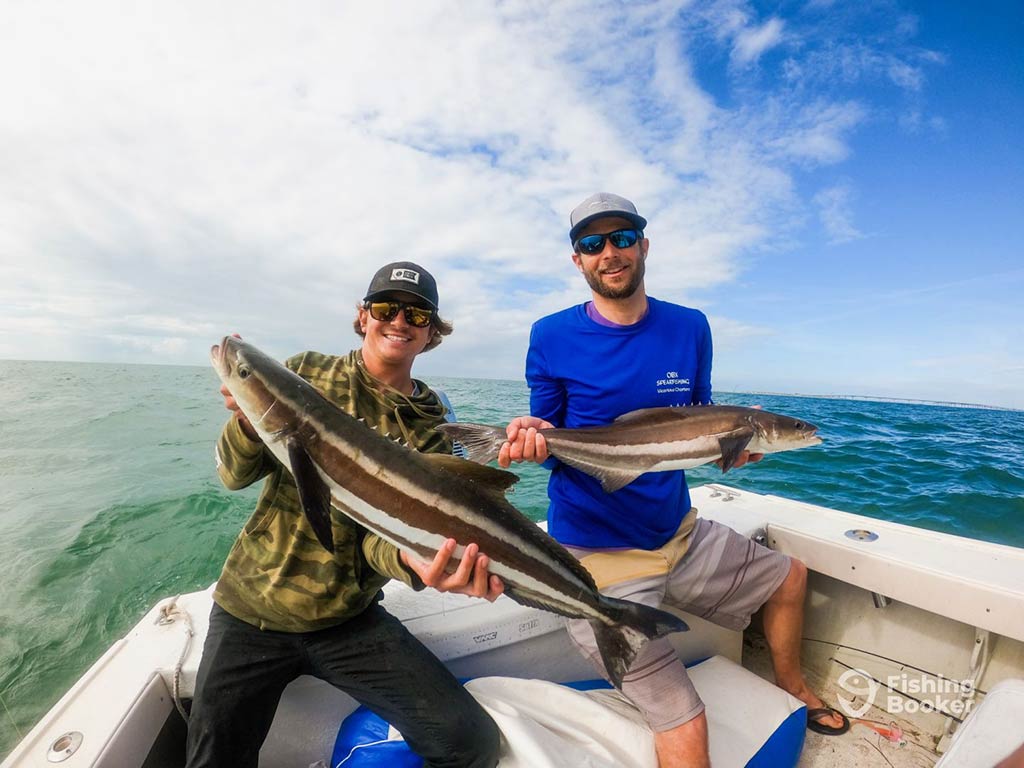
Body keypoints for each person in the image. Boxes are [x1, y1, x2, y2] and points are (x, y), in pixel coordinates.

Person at [498, 193, 848, 768]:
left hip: (677, 533)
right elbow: (551, 435)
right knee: (686, 722)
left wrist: (731, 455)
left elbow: (698, 417)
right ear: (578, 260)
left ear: (644, 245)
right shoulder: (551, 334)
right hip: (597, 552)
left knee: (791, 578)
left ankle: (794, 688)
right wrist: (535, 443)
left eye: (622, 238)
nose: (609, 253)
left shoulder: (690, 326)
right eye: (592, 244)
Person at [186, 261, 502, 768]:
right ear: (363, 316)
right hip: (251, 609)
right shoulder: (305, 372)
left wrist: (417, 563)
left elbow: (380, 541)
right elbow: (232, 474)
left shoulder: (433, 425)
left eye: (417, 314)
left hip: (348, 620)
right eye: (385, 307)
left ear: (431, 333)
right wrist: (249, 420)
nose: (398, 320)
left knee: (469, 742)